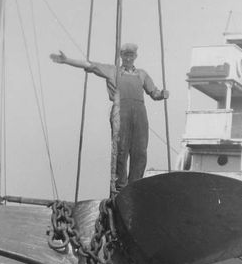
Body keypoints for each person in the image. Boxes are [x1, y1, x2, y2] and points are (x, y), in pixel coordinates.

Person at [50, 43, 169, 193]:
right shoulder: (113, 71)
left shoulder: (142, 74)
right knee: (121, 150)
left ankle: (135, 188)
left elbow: (154, 93)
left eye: (131, 55)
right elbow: (90, 65)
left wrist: (162, 94)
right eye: (125, 55)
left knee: (140, 152)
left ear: (135, 57)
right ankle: (120, 189)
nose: (128, 58)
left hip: (140, 115)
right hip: (121, 112)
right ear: (121, 56)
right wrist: (67, 60)